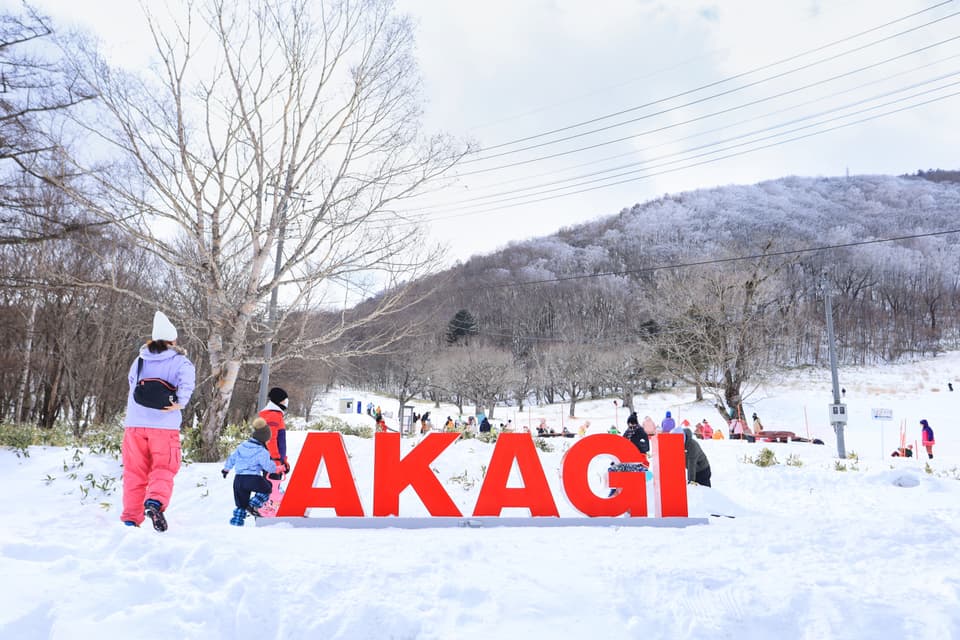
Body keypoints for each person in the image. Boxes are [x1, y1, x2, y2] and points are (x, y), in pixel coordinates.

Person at [121, 311, 196, 531]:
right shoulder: (181, 361)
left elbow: (132, 384)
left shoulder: (139, 360)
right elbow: (187, 385)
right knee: (164, 467)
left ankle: (130, 519)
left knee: (134, 471)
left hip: (134, 425)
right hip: (164, 426)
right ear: (173, 340)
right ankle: (154, 502)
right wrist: (180, 402)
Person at [222, 418, 282, 526]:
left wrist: (226, 469)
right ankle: (252, 505)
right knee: (268, 489)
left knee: (240, 504)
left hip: (239, 479)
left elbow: (232, 458)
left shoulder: (241, 447)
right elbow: (268, 467)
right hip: (253, 478)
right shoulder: (262, 451)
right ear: (264, 439)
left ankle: (236, 524)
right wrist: (276, 468)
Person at [259, 387, 290, 476]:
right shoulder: (273, 415)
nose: (286, 402)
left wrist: (283, 459)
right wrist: (276, 459)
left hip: (274, 459)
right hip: (272, 461)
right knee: (271, 487)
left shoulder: (276, 414)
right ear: (279, 400)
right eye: (285, 400)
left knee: (272, 486)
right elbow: (270, 439)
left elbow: (280, 441)